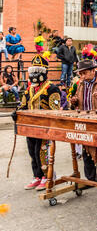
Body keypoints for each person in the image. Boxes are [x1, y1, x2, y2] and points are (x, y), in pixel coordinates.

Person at [14, 54, 61, 191]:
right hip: (30, 127)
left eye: (38, 72)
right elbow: (23, 105)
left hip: (45, 128)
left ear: (45, 73)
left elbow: (55, 110)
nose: (34, 75)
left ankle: (48, 176)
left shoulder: (52, 88)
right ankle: (37, 176)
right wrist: (16, 113)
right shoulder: (29, 89)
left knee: (42, 151)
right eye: (33, 72)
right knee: (32, 152)